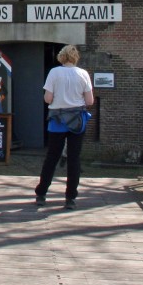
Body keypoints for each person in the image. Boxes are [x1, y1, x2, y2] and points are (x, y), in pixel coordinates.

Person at [34, 44, 94, 210]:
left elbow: (48, 98)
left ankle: (41, 193)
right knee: (74, 159)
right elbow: (89, 101)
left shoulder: (54, 72)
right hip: (77, 121)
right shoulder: (83, 74)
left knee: (52, 157)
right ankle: (70, 198)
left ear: (61, 57)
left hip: (58, 120)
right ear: (75, 57)